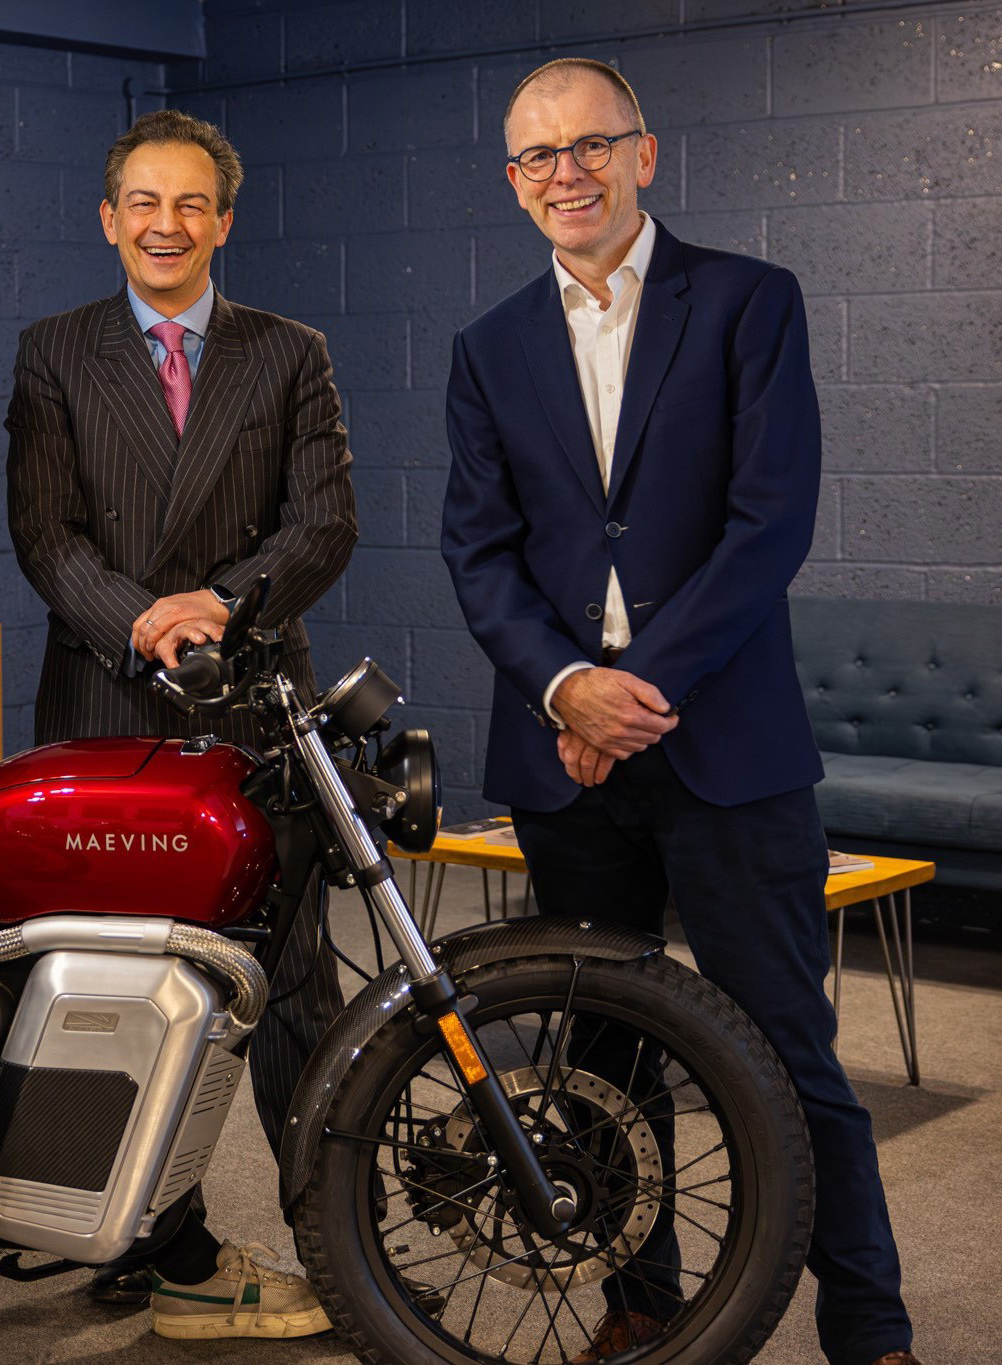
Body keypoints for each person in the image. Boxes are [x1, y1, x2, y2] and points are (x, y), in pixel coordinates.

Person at [440, 57, 919, 1365]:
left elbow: (768, 525)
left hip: (721, 745)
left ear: (641, 154)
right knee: (602, 1057)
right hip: (564, 760)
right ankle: (640, 1302)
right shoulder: (486, 348)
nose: (566, 173)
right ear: (512, 183)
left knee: (786, 1052)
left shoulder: (748, 302)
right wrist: (565, 688)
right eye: (537, 156)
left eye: (590, 144)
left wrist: (631, 692)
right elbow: (477, 553)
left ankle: (867, 1325)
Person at [6, 108, 358, 1341]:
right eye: (144, 204)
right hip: (106, 702)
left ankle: (340, 1247)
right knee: (119, 989)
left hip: (252, 703)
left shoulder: (289, 352)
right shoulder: (53, 352)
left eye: (190, 203)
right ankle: (155, 1244)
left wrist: (218, 605)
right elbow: (44, 534)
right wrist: (144, 621)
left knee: (291, 985)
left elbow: (324, 524)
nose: (167, 224)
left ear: (222, 220)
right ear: (110, 220)